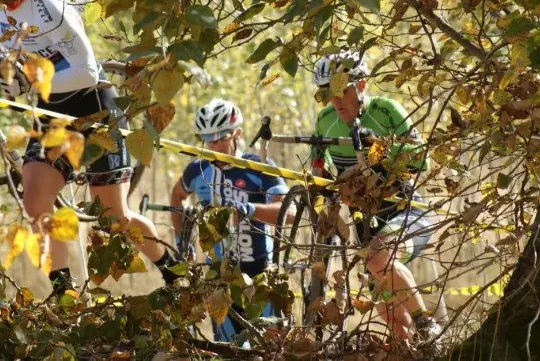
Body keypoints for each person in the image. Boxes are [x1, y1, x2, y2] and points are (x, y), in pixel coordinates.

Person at [0, 0, 180, 294]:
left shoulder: (47, 5)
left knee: (114, 219)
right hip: (53, 112)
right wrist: (2, 77)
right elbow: (0, 57)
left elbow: (88, 73)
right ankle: (65, 298)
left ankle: (174, 274)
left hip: (94, 110)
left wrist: (30, 82)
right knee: (36, 202)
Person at [312, 50, 442, 343]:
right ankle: (423, 348)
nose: (334, 100)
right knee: (394, 324)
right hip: (366, 222)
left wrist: (382, 147)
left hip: (406, 211)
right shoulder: (325, 120)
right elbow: (318, 167)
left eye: (340, 90)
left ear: (361, 85)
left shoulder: (386, 110)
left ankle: (427, 324)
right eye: (325, 94)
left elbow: (423, 162)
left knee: (376, 257)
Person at [170, 99, 289, 344]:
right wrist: (182, 239)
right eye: (208, 139)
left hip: (260, 275)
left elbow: (288, 212)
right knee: (229, 350)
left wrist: (250, 209)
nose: (214, 146)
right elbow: (177, 196)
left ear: (237, 134)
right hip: (219, 278)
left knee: (272, 349)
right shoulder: (198, 169)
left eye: (221, 138)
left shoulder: (258, 166)